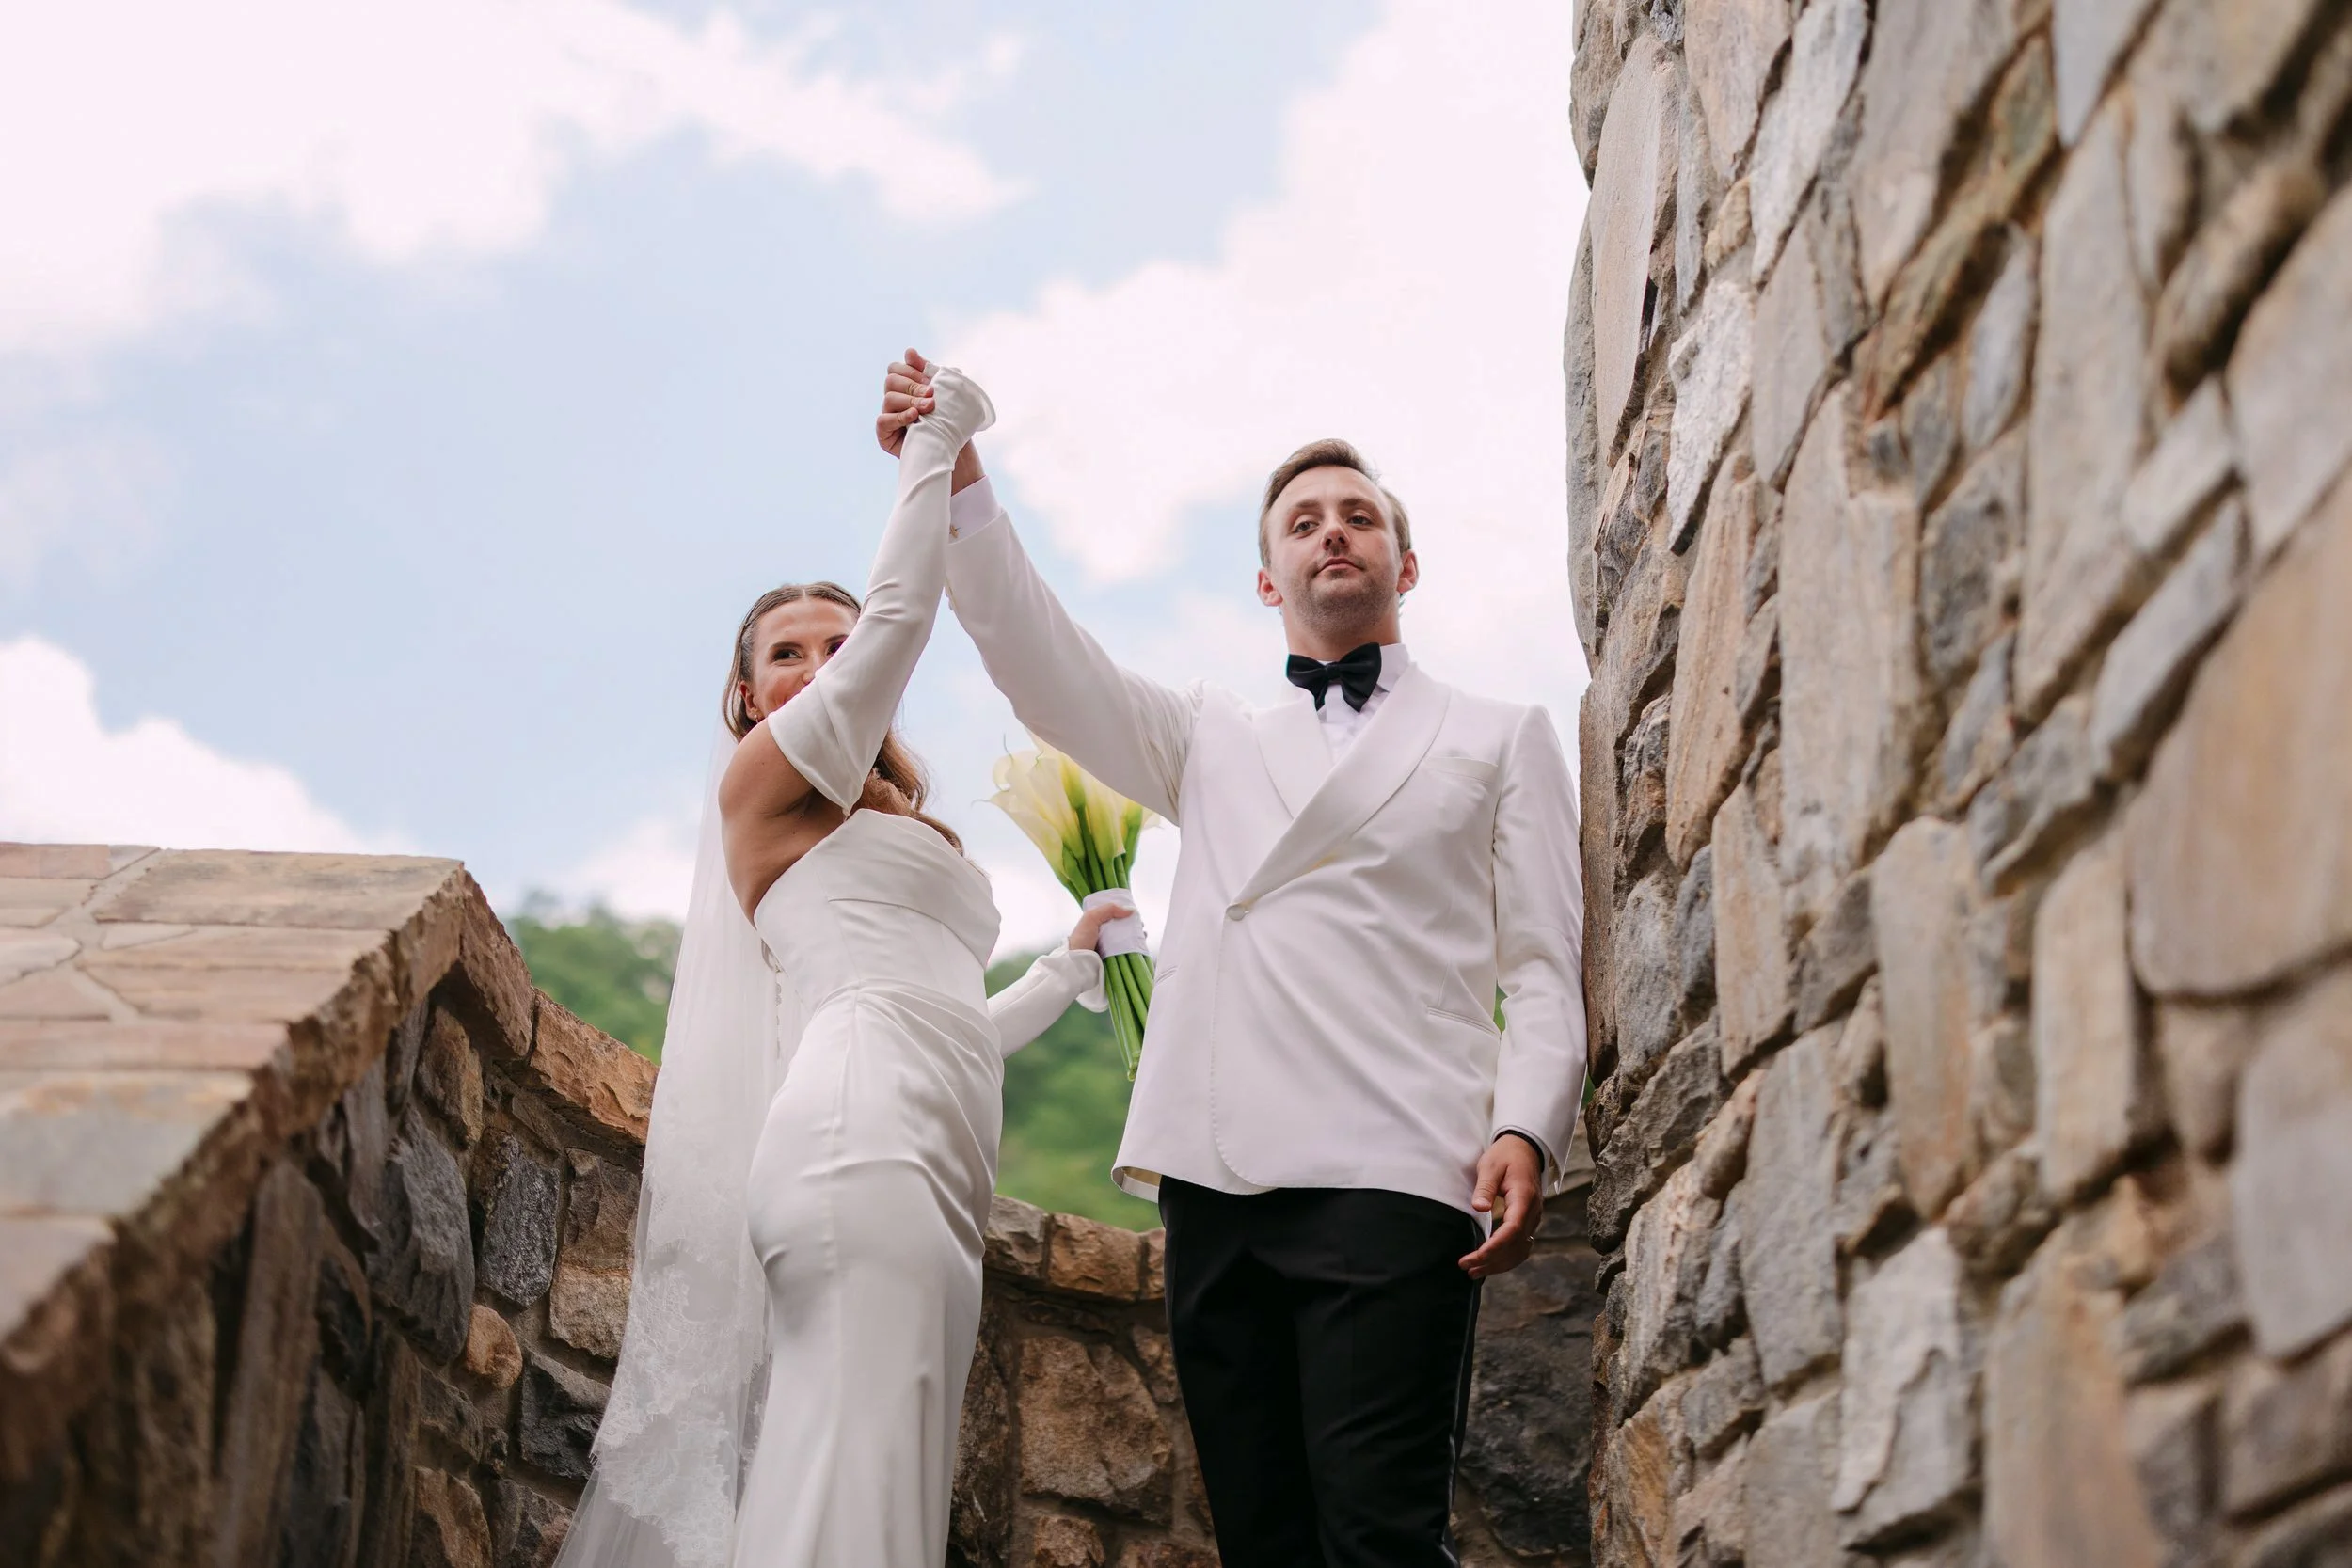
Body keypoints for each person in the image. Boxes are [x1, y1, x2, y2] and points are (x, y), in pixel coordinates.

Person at [878, 351, 1586, 1567]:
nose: (1334, 533)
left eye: (1359, 515)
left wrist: (1526, 1121)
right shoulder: (1211, 737)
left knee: (1378, 1534)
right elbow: (1043, 660)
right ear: (1270, 577)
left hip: (1398, 1161)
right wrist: (963, 480)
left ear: (1403, 563)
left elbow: (1540, 960)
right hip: (1221, 1179)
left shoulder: (1497, 734)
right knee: (1265, 1542)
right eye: (1304, 522)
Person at [558, 367, 1131, 1568]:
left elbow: (946, 1013)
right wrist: (942, 440)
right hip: (854, 1129)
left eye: (832, 643)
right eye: (787, 652)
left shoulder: (918, 831)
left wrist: (1066, 973)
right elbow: (900, 620)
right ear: (749, 695)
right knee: (849, 1457)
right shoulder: (764, 787)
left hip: (944, 1147)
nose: (820, 664)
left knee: (892, 1460)